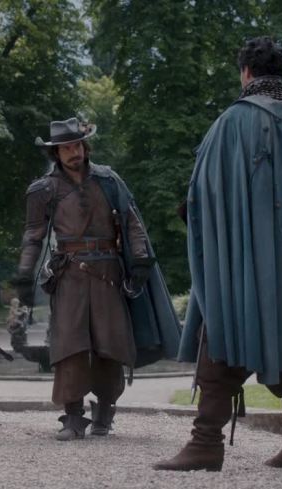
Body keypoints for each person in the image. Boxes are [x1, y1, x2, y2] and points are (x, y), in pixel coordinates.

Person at [154, 37, 282, 472]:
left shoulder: (231, 121)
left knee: (222, 330)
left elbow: (203, 193)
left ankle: (206, 442)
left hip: (239, 252)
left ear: (246, 73)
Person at [13, 117, 180, 441]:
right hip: (69, 274)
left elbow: (132, 222)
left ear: (85, 146)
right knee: (69, 346)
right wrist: (23, 274)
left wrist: (140, 261)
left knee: (110, 343)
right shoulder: (44, 189)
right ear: (56, 153)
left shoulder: (108, 179)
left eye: (76, 145)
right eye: (65, 148)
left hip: (108, 273)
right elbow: (33, 235)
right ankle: (73, 417)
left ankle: (105, 410)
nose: (73, 152)